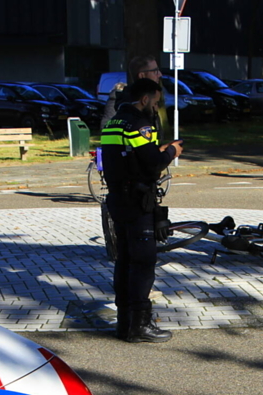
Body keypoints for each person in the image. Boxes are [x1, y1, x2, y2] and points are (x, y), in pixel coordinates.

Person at [100, 78, 184, 342]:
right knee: (143, 262)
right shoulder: (140, 124)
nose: (156, 107)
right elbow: (153, 163)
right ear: (145, 99)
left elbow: (130, 157)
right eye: (155, 102)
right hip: (137, 201)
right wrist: (172, 151)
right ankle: (140, 326)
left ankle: (124, 322)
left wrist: (155, 152)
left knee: (124, 261)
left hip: (118, 198)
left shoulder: (113, 122)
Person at [102, 55, 164, 126]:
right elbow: (107, 129)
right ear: (142, 75)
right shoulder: (119, 101)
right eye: (155, 71)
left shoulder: (153, 98)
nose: (160, 74)